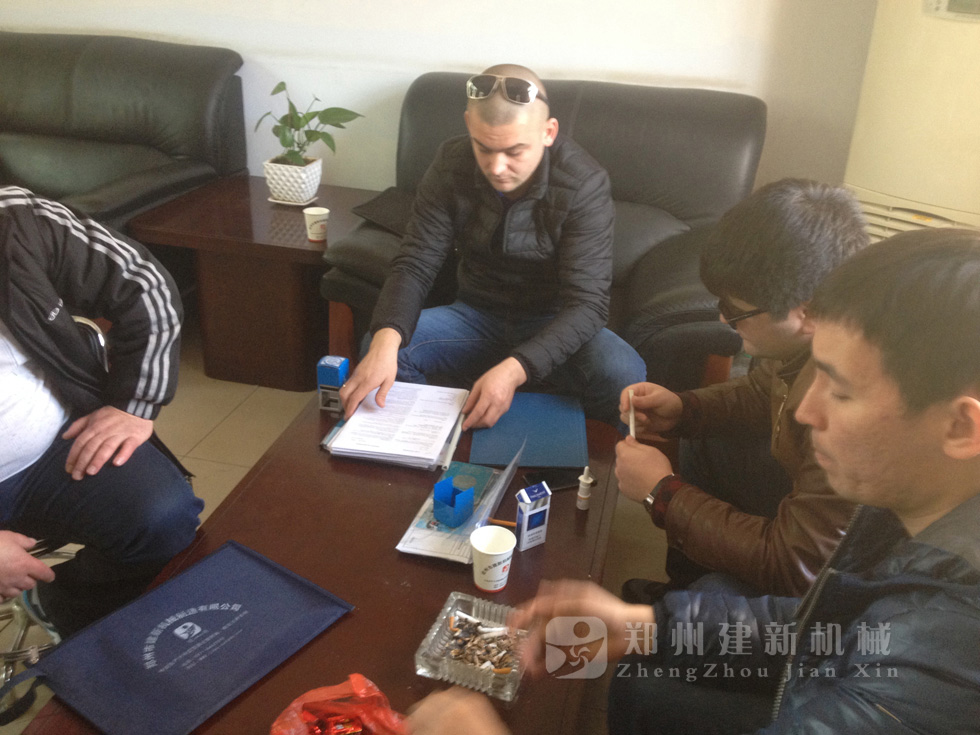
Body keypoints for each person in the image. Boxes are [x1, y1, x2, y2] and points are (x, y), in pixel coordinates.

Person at [409, 228, 980, 734]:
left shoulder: (939, 659)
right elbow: (821, 626)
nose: (806, 412)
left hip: (820, 694)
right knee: (639, 680)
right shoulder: (913, 507)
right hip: (816, 674)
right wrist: (644, 627)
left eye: (842, 391)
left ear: (960, 426)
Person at [339, 64, 645, 430]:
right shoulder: (450, 163)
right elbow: (415, 262)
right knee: (381, 346)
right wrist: (385, 342)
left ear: (548, 132)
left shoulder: (583, 183)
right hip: (474, 314)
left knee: (623, 372)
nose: (497, 167)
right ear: (469, 124)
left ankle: (600, 460)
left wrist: (515, 370)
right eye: (483, 148)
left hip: (551, 320)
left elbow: (588, 306)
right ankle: (428, 446)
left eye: (515, 151)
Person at [615, 178, 869, 598]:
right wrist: (683, 409)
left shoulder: (852, 410)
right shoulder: (816, 333)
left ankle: (687, 611)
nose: (722, 320)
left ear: (806, 313)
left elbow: (794, 566)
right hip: (807, 501)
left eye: (734, 310)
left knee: (716, 600)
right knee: (703, 434)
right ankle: (680, 593)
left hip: (835, 582)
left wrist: (662, 495)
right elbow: (761, 393)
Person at [0, 186, 203, 637]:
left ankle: (62, 606)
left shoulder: (15, 220)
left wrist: (135, 405)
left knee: (163, 519)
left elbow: (143, 283)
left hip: (52, 448)